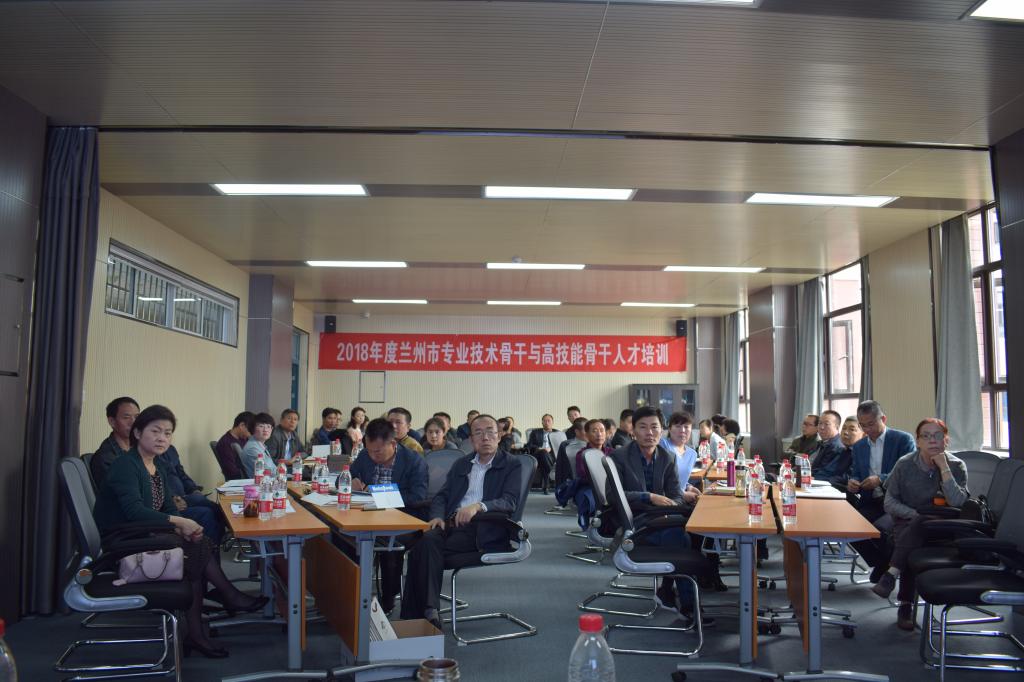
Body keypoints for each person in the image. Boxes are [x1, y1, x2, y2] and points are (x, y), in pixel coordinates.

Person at [92, 405, 267, 658]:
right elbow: (134, 511)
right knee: (197, 548)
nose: (162, 438)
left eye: (167, 433)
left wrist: (181, 526)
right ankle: (222, 603)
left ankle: (199, 629)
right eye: (155, 431)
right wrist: (180, 523)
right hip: (124, 542)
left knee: (196, 545)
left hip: (146, 533)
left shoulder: (156, 465)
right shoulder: (126, 465)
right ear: (138, 433)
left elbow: (167, 506)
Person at [400, 414, 523, 629]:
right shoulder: (462, 464)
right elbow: (442, 496)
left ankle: (419, 616)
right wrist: (437, 516)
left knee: (422, 547)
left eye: (490, 432)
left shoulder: (511, 464)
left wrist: (478, 506)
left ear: (499, 435)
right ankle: (426, 613)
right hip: (452, 525)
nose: (485, 437)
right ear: (471, 439)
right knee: (424, 542)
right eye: (478, 433)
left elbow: (509, 501)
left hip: (486, 529)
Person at [607, 406, 704, 625]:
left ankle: (670, 590)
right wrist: (649, 497)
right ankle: (689, 606)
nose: (649, 432)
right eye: (643, 427)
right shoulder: (619, 457)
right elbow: (613, 495)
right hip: (635, 524)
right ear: (633, 430)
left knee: (695, 531)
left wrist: (670, 509)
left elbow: (676, 495)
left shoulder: (667, 457)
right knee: (678, 538)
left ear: (662, 431)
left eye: (654, 427)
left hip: (661, 518)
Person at [870, 419, 968, 630]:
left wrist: (944, 468)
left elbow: (958, 503)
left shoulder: (957, 465)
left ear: (946, 440)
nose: (932, 440)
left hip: (944, 526)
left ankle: (893, 580)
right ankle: (905, 603)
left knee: (913, 535)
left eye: (938, 436)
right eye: (926, 436)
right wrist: (915, 515)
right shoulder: (905, 464)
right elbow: (889, 502)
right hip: (908, 521)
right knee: (917, 530)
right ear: (918, 441)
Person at [349, 418, 428, 614]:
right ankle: (350, 593)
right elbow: (347, 476)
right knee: (342, 536)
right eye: (369, 450)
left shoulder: (414, 461)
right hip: (367, 517)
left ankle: (388, 600)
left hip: (404, 519)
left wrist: (378, 494)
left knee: (389, 543)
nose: (372, 456)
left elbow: (417, 497)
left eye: (377, 451)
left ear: (393, 444)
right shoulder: (365, 456)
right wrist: (351, 482)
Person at [848, 400, 916, 522]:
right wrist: (853, 482)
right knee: (851, 525)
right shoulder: (859, 446)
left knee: (880, 527)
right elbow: (856, 473)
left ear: (883, 419)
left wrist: (881, 479)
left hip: (896, 500)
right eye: (863, 425)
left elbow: (908, 473)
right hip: (869, 502)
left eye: (871, 424)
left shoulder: (903, 440)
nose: (867, 429)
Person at [90, 397, 141, 489]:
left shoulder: (141, 449)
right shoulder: (106, 458)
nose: (133, 422)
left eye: (137, 417)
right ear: (112, 421)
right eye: (126, 417)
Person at [660, 411, 703, 489]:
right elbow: (658, 480)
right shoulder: (663, 445)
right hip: (663, 496)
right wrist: (682, 494)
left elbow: (681, 479)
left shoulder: (692, 454)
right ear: (669, 429)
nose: (682, 430)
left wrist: (688, 487)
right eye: (678, 426)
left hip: (680, 495)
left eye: (686, 427)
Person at [809, 410, 849, 487]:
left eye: (826, 424)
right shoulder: (821, 443)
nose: (821, 427)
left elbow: (826, 472)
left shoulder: (837, 446)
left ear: (837, 427)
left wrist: (806, 476)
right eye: (820, 423)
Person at [214, 411, 252, 481]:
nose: (250, 434)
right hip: (240, 481)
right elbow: (233, 472)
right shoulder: (225, 443)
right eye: (250, 431)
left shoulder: (244, 439)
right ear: (242, 425)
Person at [526, 413, 558, 494]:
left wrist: (551, 449)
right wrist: (539, 449)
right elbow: (529, 445)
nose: (547, 423)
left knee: (544, 459)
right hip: (538, 454)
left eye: (548, 421)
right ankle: (551, 475)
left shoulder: (557, 433)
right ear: (542, 422)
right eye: (544, 421)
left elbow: (560, 446)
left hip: (552, 455)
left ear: (552, 422)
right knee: (543, 453)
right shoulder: (535, 432)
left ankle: (546, 486)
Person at [240, 412, 275, 477]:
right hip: (259, 482)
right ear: (253, 428)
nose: (265, 430)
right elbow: (267, 472)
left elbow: (272, 469)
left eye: (268, 426)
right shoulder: (252, 448)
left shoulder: (260, 445)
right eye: (261, 426)